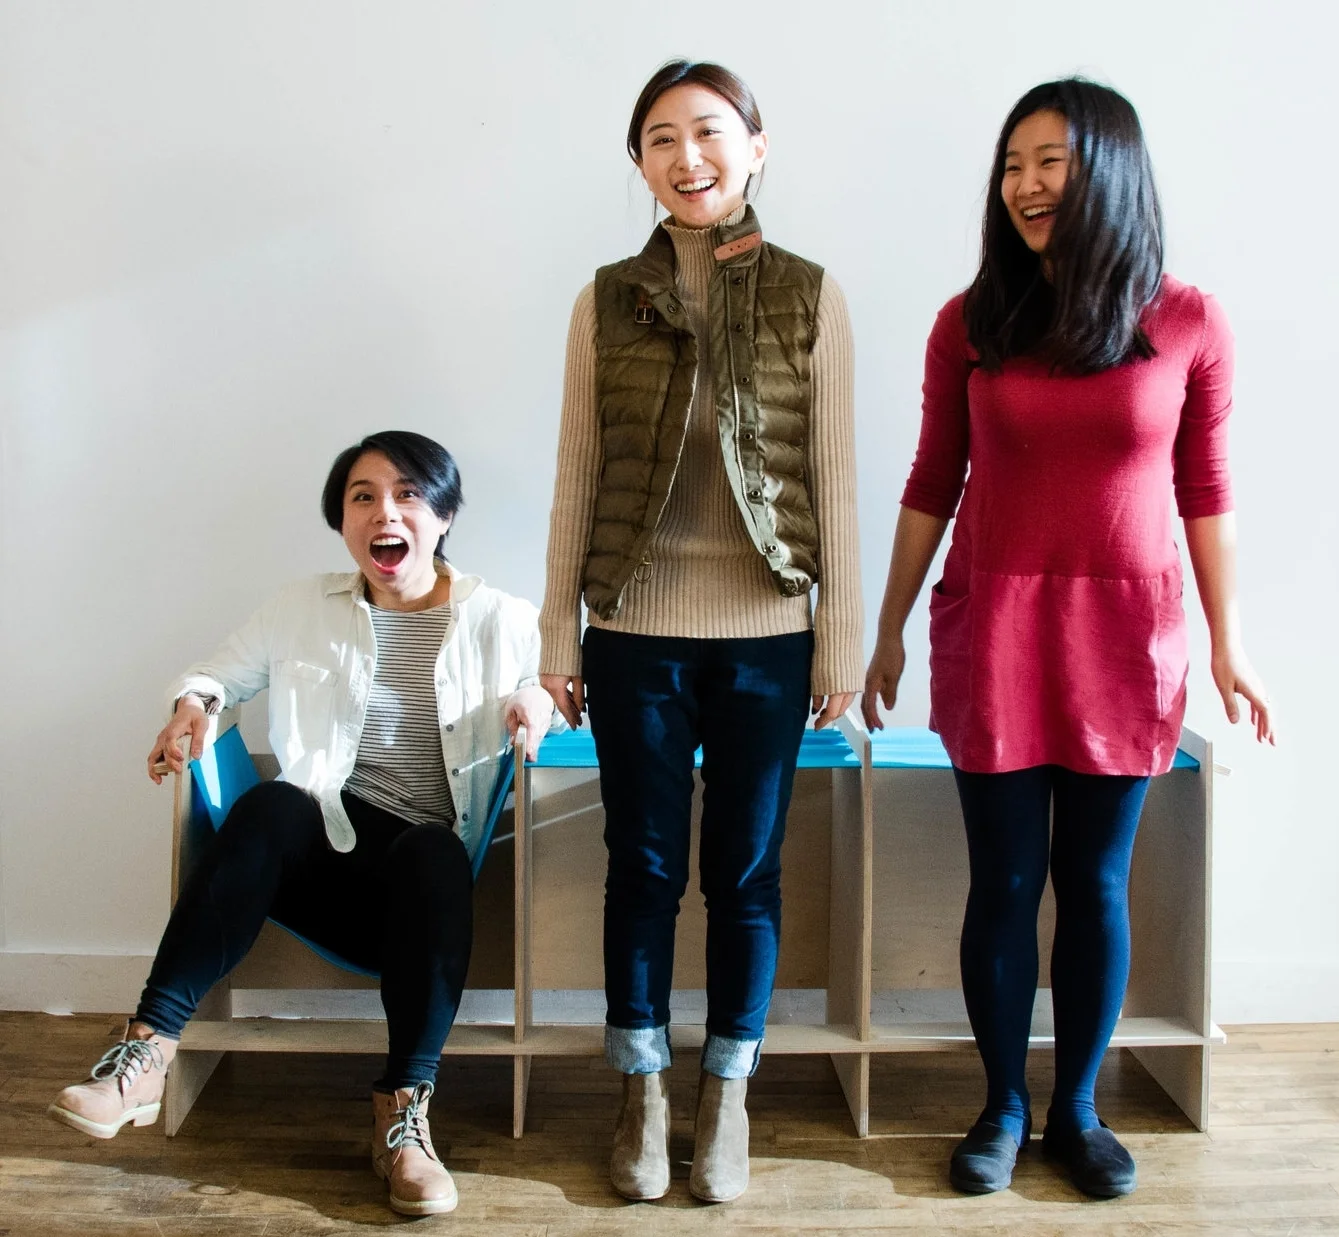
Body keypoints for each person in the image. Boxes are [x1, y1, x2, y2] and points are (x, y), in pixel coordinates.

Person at [863, 79, 1274, 1199]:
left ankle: (1077, 1109)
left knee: (1094, 882)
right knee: (1002, 879)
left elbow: (1206, 488)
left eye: (1053, 161)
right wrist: (888, 626)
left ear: (1111, 170)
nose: (1028, 185)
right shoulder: (971, 321)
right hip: (993, 621)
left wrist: (1230, 643)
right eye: (1013, 164)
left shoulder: (1188, 319)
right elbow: (929, 479)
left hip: (1127, 630)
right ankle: (1000, 1103)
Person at [48, 430, 554, 1218]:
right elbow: (218, 672)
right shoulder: (298, 607)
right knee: (275, 802)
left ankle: (404, 1116)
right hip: (320, 856)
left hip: (422, 889)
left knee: (432, 851)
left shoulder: (502, 616)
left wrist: (536, 702)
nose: (384, 511)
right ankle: (144, 1055)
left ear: (445, 512)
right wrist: (193, 704)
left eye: (408, 493)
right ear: (342, 520)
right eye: (362, 496)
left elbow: (546, 680)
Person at [539, 59, 862, 1204]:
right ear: (639, 162)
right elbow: (577, 471)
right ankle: (642, 1087)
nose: (690, 157)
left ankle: (726, 1092)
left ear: (756, 146)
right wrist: (558, 635)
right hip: (633, 626)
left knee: (746, 873)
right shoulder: (604, 298)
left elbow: (834, 476)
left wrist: (841, 635)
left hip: (769, 628)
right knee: (643, 864)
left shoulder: (809, 293)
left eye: (712, 133)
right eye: (664, 139)